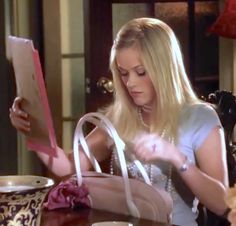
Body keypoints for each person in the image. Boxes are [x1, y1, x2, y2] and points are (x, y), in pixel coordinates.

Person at [9, 17, 228, 226]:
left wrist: (175, 156)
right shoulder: (119, 117)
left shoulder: (200, 118)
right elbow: (67, 166)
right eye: (124, 73)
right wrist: (31, 125)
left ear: (164, 69)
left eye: (140, 72)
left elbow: (222, 204)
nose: (130, 83)